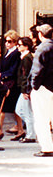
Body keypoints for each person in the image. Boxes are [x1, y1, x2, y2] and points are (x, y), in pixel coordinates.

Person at [29, 24, 53, 157]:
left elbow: (37, 70)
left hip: (43, 88)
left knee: (42, 119)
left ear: (40, 35)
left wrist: (34, 86)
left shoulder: (42, 48)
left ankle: (47, 148)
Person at [0, 30, 22, 140]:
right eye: (5, 41)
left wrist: (1, 75)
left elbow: (14, 70)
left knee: (2, 109)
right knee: (13, 109)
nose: (7, 43)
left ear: (15, 42)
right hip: (8, 83)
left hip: (11, 85)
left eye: (9, 41)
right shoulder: (8, 53)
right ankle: (20, 130)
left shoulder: (16, 53)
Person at [15, 36, 36, 144]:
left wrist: (25, 90)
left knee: (24, 111)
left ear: (26, 46)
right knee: (21, 110)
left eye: (20, 45)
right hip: (25, 88)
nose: (18, 46)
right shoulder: (24, 57)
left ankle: (31, 135)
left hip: (26, 89)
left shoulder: (27, 58)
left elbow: (26, 75)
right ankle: (31, 132)